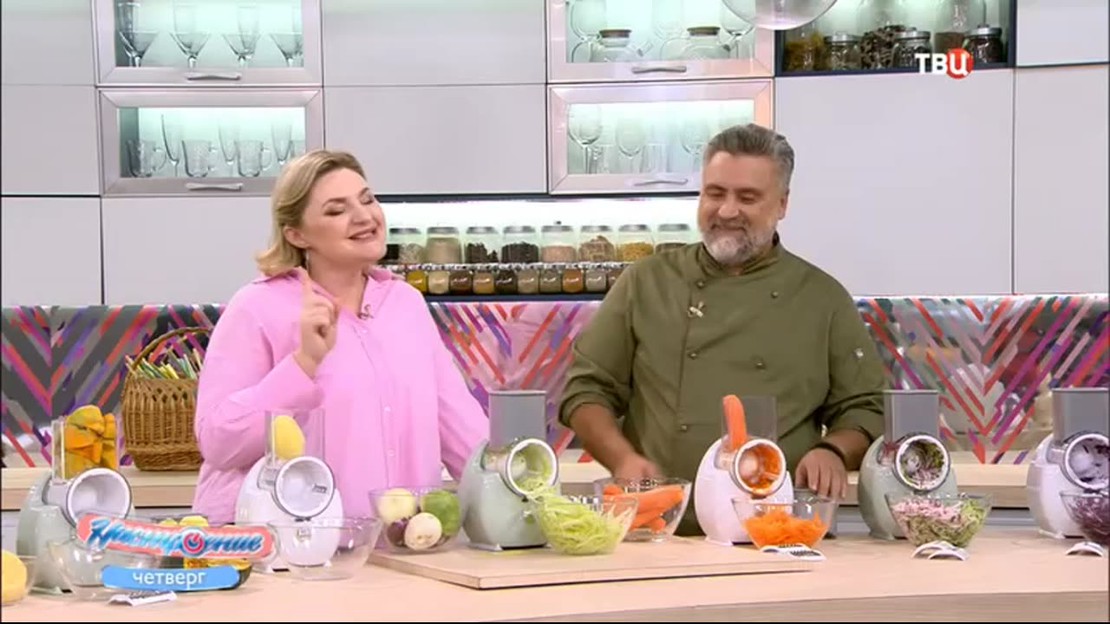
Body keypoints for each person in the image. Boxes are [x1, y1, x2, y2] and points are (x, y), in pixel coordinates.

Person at [558, 123, 888, 536]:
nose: (727, 211)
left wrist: (834, 450)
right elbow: (586, 391)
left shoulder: (822, 297)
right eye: (715, 193)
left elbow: (866, 407)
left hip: (778, 533)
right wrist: (621, 458)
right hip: (659, 527)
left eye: (747, 197)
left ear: (782, 204)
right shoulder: (646, 282)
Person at [192, 149, 488, 525]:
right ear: (297, 234)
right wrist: (303, 364)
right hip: (285, 546)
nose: (364, 217)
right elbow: (219, 442)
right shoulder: (257, 307)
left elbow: (459, 427)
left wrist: (518, 485)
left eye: (367, 200)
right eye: (336, 210)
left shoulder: (406, 304)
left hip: (398, 543)